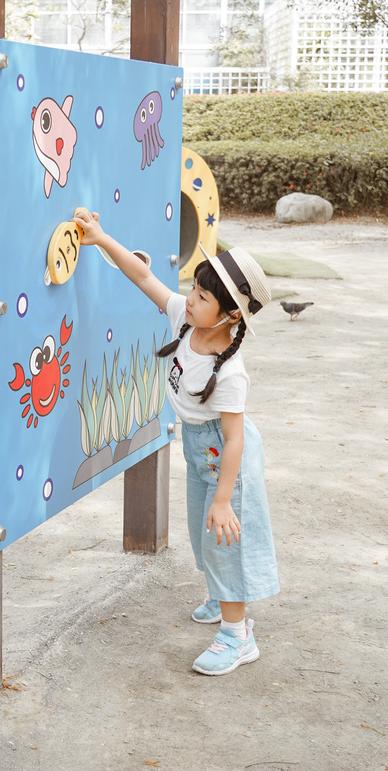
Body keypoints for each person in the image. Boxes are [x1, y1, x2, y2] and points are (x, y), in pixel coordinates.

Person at [74, 209, 279, 676]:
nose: (190, 299)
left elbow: (232, 441)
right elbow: (144, 276)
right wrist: (102, 238)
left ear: (229, 315)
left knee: (225, 537)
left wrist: (226, 497)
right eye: (194, 288)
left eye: (202, 296)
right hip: (198, 446)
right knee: (200, 530)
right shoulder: (186, 323)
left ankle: (237, 634)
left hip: (228, 456)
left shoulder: (229, 372)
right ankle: (220, 594)